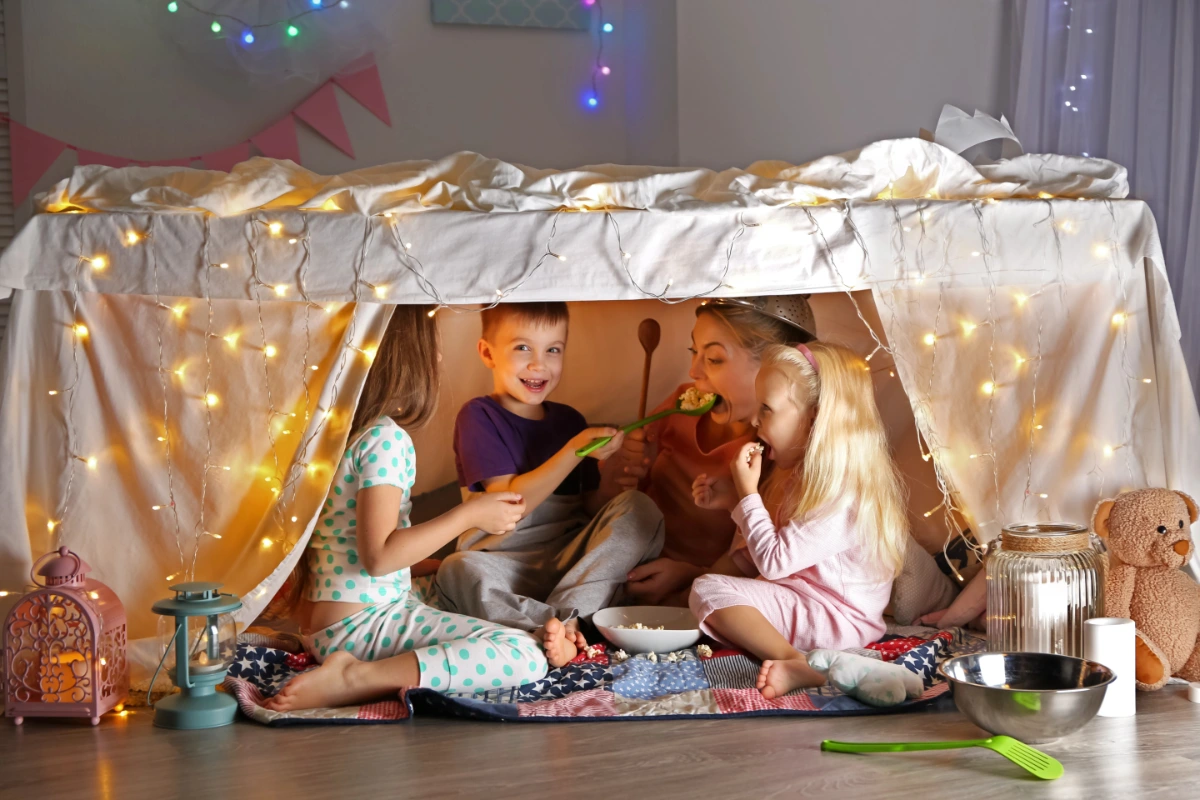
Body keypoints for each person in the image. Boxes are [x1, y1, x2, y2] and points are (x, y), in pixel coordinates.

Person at [266, 306, 547, 712]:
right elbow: (379, 557)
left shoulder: (334, 433)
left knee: (456, 580)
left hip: (324, 624)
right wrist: (470, 515)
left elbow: (345, 544)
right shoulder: (386, 440)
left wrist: (427, 566)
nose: (437, 358)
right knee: (521, 653)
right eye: (432, 348)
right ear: (411, 359)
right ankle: (355, 677)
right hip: (359, 627)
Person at [434, 302, 665, 668]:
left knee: (640, 508)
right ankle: (563, 625)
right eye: (523, 347)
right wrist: (575, 449)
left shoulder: (570, 420)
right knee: (456, 569)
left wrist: (613, 478)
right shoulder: (478, 416)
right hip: (502, 561)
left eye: (553, 350)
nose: (539, 364)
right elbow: (508, 501)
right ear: (487, 352)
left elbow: (589, 508)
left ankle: (565, 620)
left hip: (570, 562)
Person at [687, 342, 911, 699]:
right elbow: (765, 552)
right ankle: (784, 652)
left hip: (837, 620)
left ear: (815, 418)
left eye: (767, 409)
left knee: (707, 590)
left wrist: (748, 496)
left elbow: (775, 563)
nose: (755, 420)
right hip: (807, 604)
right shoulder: (800, 477)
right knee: (710, 586)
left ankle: (797, 663)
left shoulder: (844, 494)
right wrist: (733, 500)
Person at [601, 297, 816, 604]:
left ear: (774, 368)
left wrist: (690, 574)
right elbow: (606, 506)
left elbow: (760, 560)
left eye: (714, 359)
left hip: (703, 589)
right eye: (694, 352)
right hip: (627, 563)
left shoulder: (778, 454)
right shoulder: (680, 405)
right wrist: (622, 469)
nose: (693, 371)